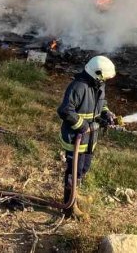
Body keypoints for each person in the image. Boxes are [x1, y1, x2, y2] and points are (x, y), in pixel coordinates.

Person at [57, 55, 119, 218]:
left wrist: (106, 114)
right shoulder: (78, 87)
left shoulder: (98, 84)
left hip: (89, 141)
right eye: (104, 78)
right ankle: (70, 207)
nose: (105, 81)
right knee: (73, 172)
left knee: (83, 169)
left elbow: (102, 102)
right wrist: (83, 126)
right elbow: (64, 110)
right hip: (75, 139)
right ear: (97, 73)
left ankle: (75, 195)